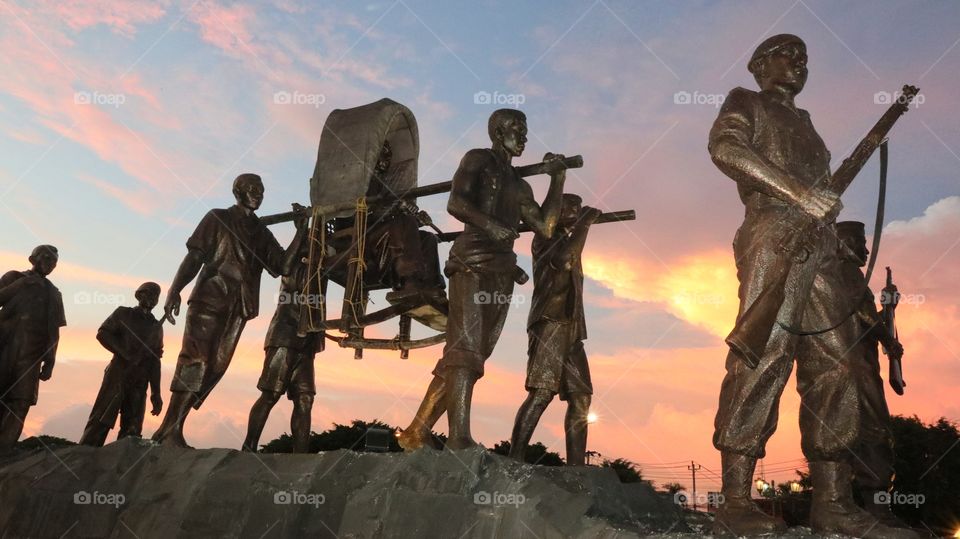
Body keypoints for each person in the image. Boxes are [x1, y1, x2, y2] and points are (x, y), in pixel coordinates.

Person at [708, 35, 919, 538]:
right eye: (789, 54)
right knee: (764, 355)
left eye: (805, 58)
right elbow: (725, 148)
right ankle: (735, 500)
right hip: (773, 233)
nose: (800, 64)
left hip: (821, 245)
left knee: (840, 363)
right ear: (761, 64)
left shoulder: (805, 123)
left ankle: (833, 503)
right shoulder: (747, 100)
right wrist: (800, 194)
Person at [399, 109, 567, 451]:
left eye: (525, 130)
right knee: (465, 350)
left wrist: (557, 179)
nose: (523, 137)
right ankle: (459, 438)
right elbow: (456, 202)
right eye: (517, 130)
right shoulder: (478, 159)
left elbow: (546, 227)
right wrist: (489, 225)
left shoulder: (520, 185)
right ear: (498, 131)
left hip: (501, 271)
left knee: (473, 354)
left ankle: (417, 430)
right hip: (472, 262)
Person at [152, 173, 307, 447]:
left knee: (216, 366)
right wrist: (175, 288)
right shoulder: (217, 217)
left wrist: (301, 230)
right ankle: (170, 430)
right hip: (210, 299)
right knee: (195, 360)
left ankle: (168, 428)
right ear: (237, 192)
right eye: (251, 188)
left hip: (239, 308)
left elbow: (282, 266)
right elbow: (195, 256)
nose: (257, 193)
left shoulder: (261, 232)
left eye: (261, 189)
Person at [508, 194, 600, 466]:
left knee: (581, 396)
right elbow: (565, 261)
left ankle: (576, 468)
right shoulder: (545, 236)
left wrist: (580, 227)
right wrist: (584, 225)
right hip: (549, 322)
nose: (576, 209)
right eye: (570, 205)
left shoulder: (569, 238)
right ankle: (515, 459)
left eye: (579, 206)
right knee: (541, 393)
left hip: (570, 327)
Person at [836, 221, 910, 529]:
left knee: (862, 433)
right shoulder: (847, 276)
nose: (866, 249)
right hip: (856, 370)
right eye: (860, 242)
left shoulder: (849, 278)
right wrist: (888, 338)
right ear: (842, 243)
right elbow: (866, 319)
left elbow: (867, 318)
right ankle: (878, 508)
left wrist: (887, 308)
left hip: (860, 366)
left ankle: (870, 506)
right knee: (875, 432)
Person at [242, 241, 322, 454]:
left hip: (306, 344)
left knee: (305, 398)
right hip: (284, 338)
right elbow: (295, 277)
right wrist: (301, 233)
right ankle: (249, 447)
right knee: (270, 394)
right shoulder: (292, 267)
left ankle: (300, 454)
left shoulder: (321, 270)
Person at [79, 282, 164, 446]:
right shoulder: (123, 313)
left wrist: (156, 392)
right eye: (149, 293)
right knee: (101, 419)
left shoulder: (156, 327)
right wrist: (126, 354)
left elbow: (155, 361)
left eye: (156, 296)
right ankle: (85, 454)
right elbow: (103, 334)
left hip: (140, 380)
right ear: (139, 295)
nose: (152, 298)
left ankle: (123, 465)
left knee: (133, 427)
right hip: (118, 373)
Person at [0, 245, 65, 451]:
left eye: (53, 262)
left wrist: (51, 360)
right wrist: (21, 285)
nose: (49, 264)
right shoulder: (15, 277)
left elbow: (54, 329)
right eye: (45, 258)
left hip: (32, 357)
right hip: (5, 347)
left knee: (21, 401)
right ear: (32, 258)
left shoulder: (54, 293)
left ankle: (5, 448)